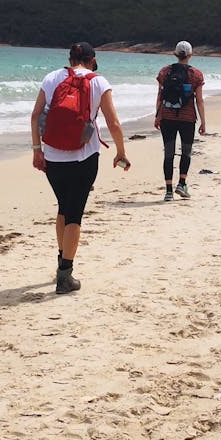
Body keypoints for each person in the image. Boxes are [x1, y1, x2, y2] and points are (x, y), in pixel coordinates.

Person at [30, 41, 130, 293]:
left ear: (70, 58)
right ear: (92, 59)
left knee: (64, 206)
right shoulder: (98, 81)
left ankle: (61, 261)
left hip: (53, 156)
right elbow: (113, 122)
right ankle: (65, 276)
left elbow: (35, 115)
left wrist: (36, 150)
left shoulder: (52, 77)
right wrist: (121, 152)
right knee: (75, 213)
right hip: (84, 157)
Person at [154, 40, 206, 200]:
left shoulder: (164, 72)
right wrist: (203, 121)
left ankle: (168, 191)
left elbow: (160, 95)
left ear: (176, 54)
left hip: (167, 117)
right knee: (186, 152)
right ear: (190, 55)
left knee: (168, 153)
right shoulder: (196, 74)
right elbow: (199, 100)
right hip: (187, 118)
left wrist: (157, 115)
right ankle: (182, 184)